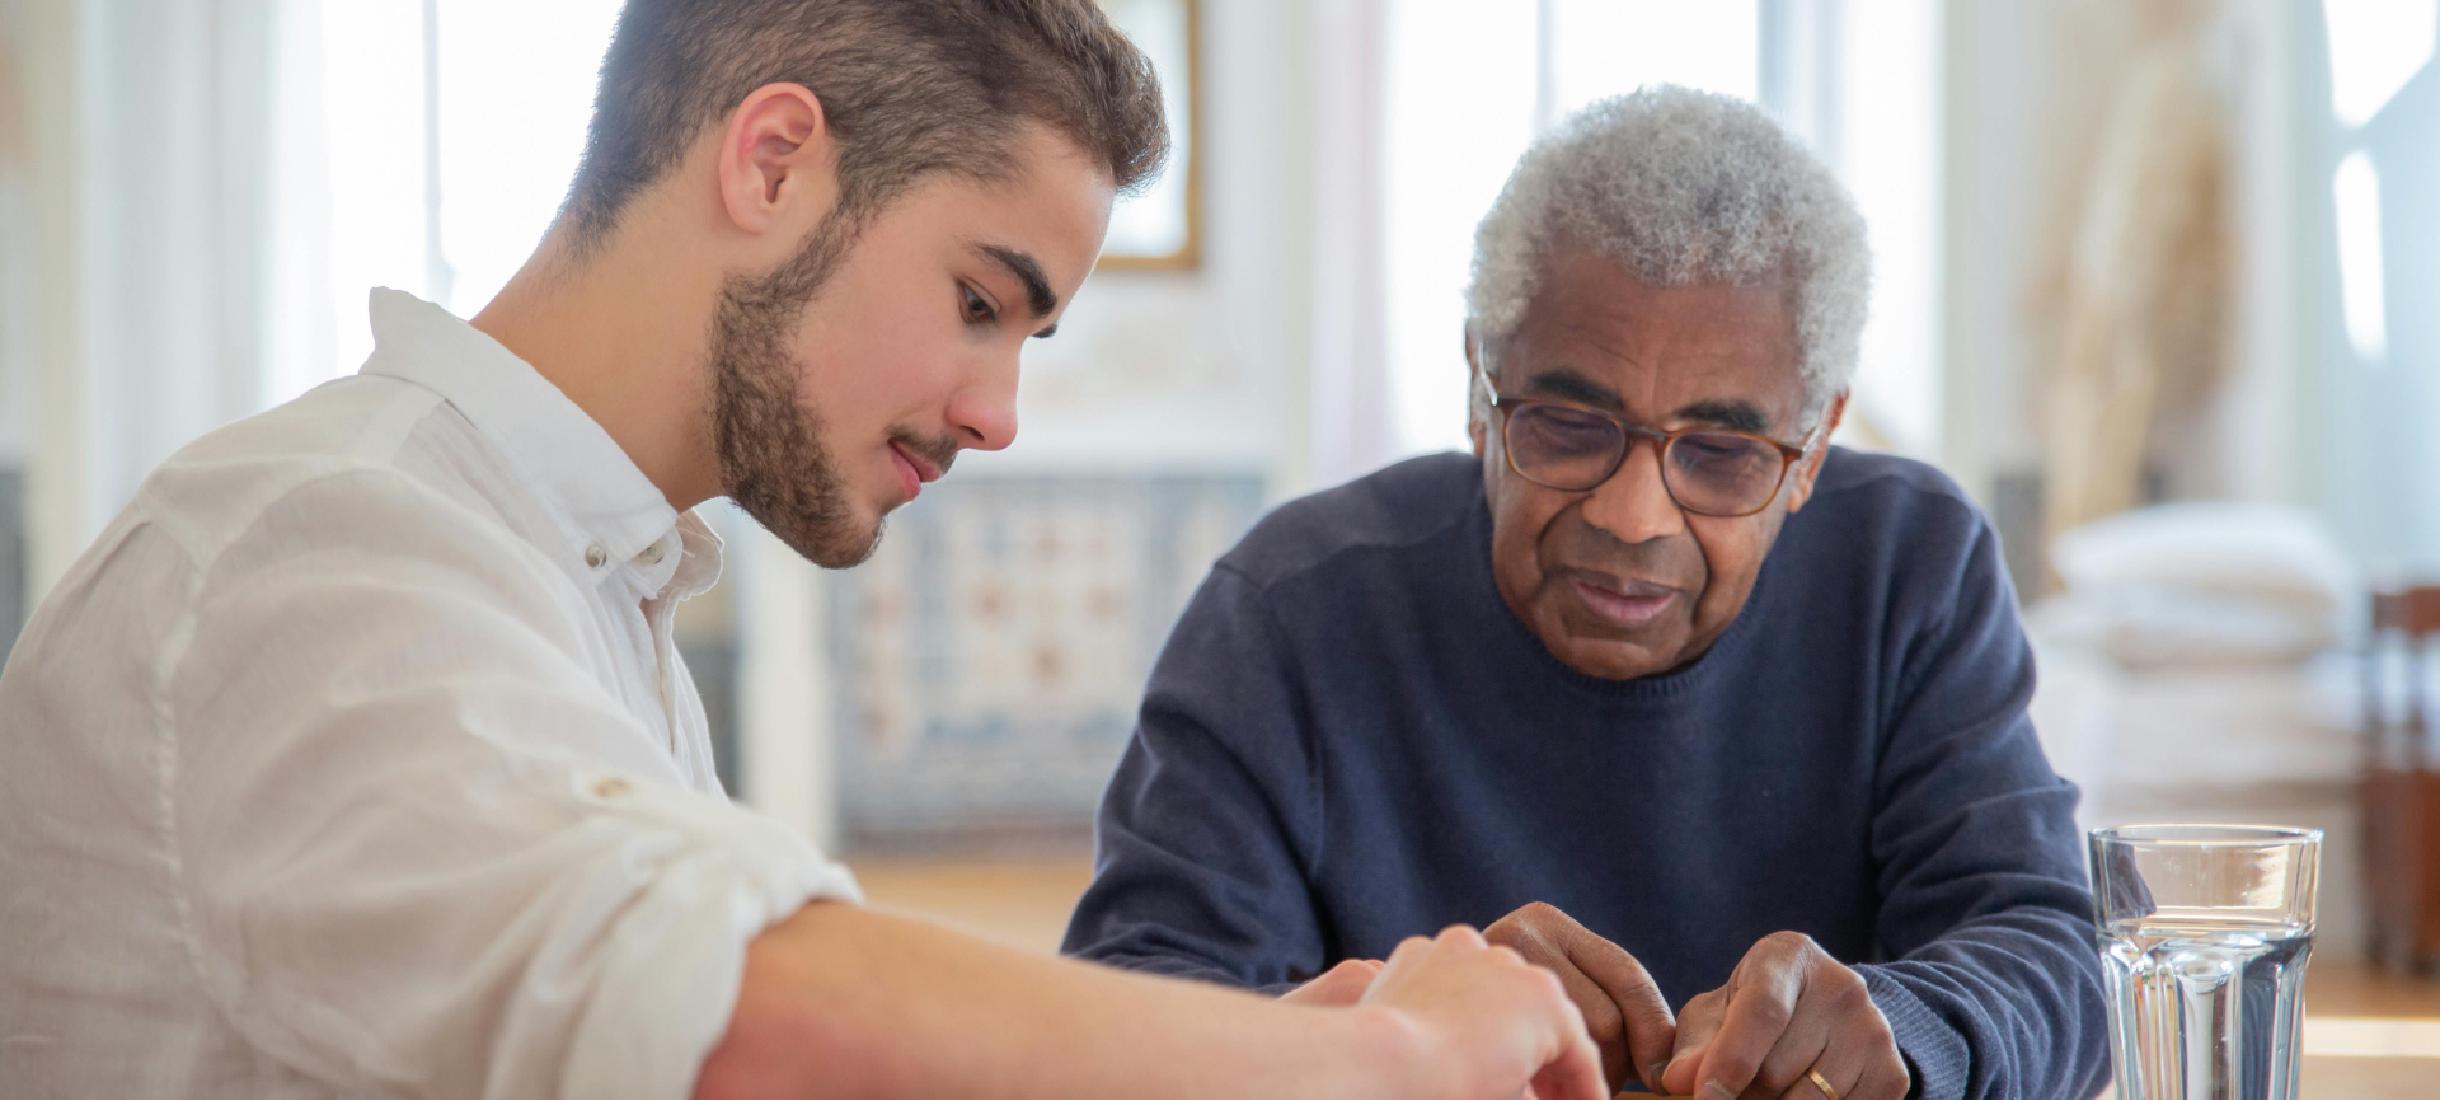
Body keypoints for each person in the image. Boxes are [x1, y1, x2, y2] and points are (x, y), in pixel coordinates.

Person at [0, 3, 1609, 1098]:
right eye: (983, 303)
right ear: (772, 163)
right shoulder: (313, 548)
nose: (1000, 416)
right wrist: (1373, 1067)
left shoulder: (576, 582)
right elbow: (735, 1020)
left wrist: (1214, 1047)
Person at [1064, 86, 2111, 1100]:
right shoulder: (1289, 611)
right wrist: (1400, 1026)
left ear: (1813, 446)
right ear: (1480, 385)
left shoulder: (1907, 567)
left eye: (1721, 450)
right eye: (1568, 425)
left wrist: (1909, 1025)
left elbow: (2053, 951)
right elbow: (1132, 1017)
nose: (1632, 515)